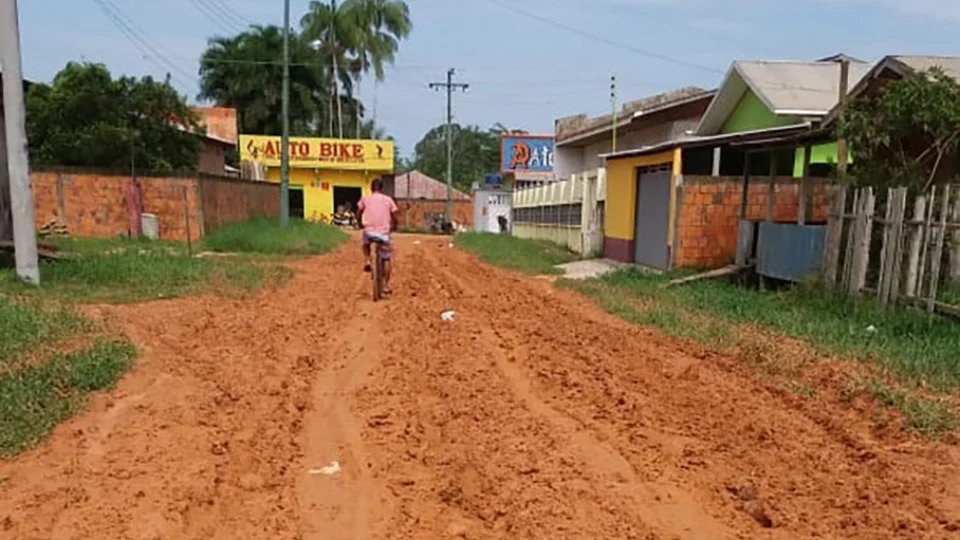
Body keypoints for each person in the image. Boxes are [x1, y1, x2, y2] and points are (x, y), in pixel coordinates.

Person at [356, 178, 398, 293]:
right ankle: (385, 285)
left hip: (369, 232)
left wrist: (359, 223)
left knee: (365, 244)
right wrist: (394, 226)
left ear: (371, 188)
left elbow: (358, 211)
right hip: (384, 233)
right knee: (387, 258)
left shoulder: (365, 198)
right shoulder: (388, 200)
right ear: (382, 188)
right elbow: (395, 215)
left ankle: (367, 260)